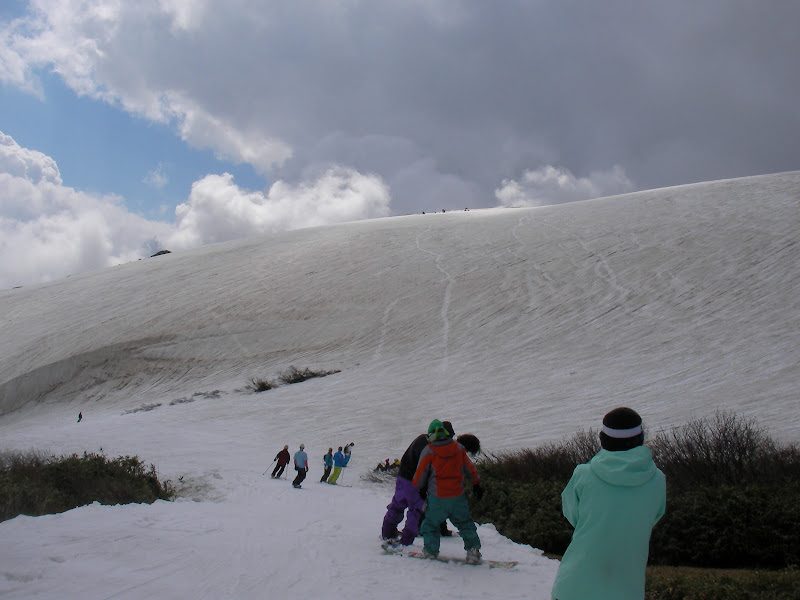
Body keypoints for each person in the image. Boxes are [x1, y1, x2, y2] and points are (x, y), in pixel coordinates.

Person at [551, 407, 666, 600]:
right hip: (627, 589)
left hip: (574, 586)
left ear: (602, 439)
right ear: (641, 438)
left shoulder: (583, 475)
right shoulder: (658, 480)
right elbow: (653, 517)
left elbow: (573, 515)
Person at [413, 419, 483, 564]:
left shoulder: (429, 451)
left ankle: (431, 552)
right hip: (458, 496)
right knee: (465, 524)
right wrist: (476, 484)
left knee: (431, 525)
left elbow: (419, 476)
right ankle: (473, 552)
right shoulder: (458, 448)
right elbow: (470, 469)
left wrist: (419, 489)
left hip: (437, 498)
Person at [381, 428, 430, 545]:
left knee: (396, 506)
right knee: (415, 511)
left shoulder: (420, 439)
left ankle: (387, 532)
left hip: (402, 478)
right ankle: (406, 540)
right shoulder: (429, 447)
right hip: (416, 483)